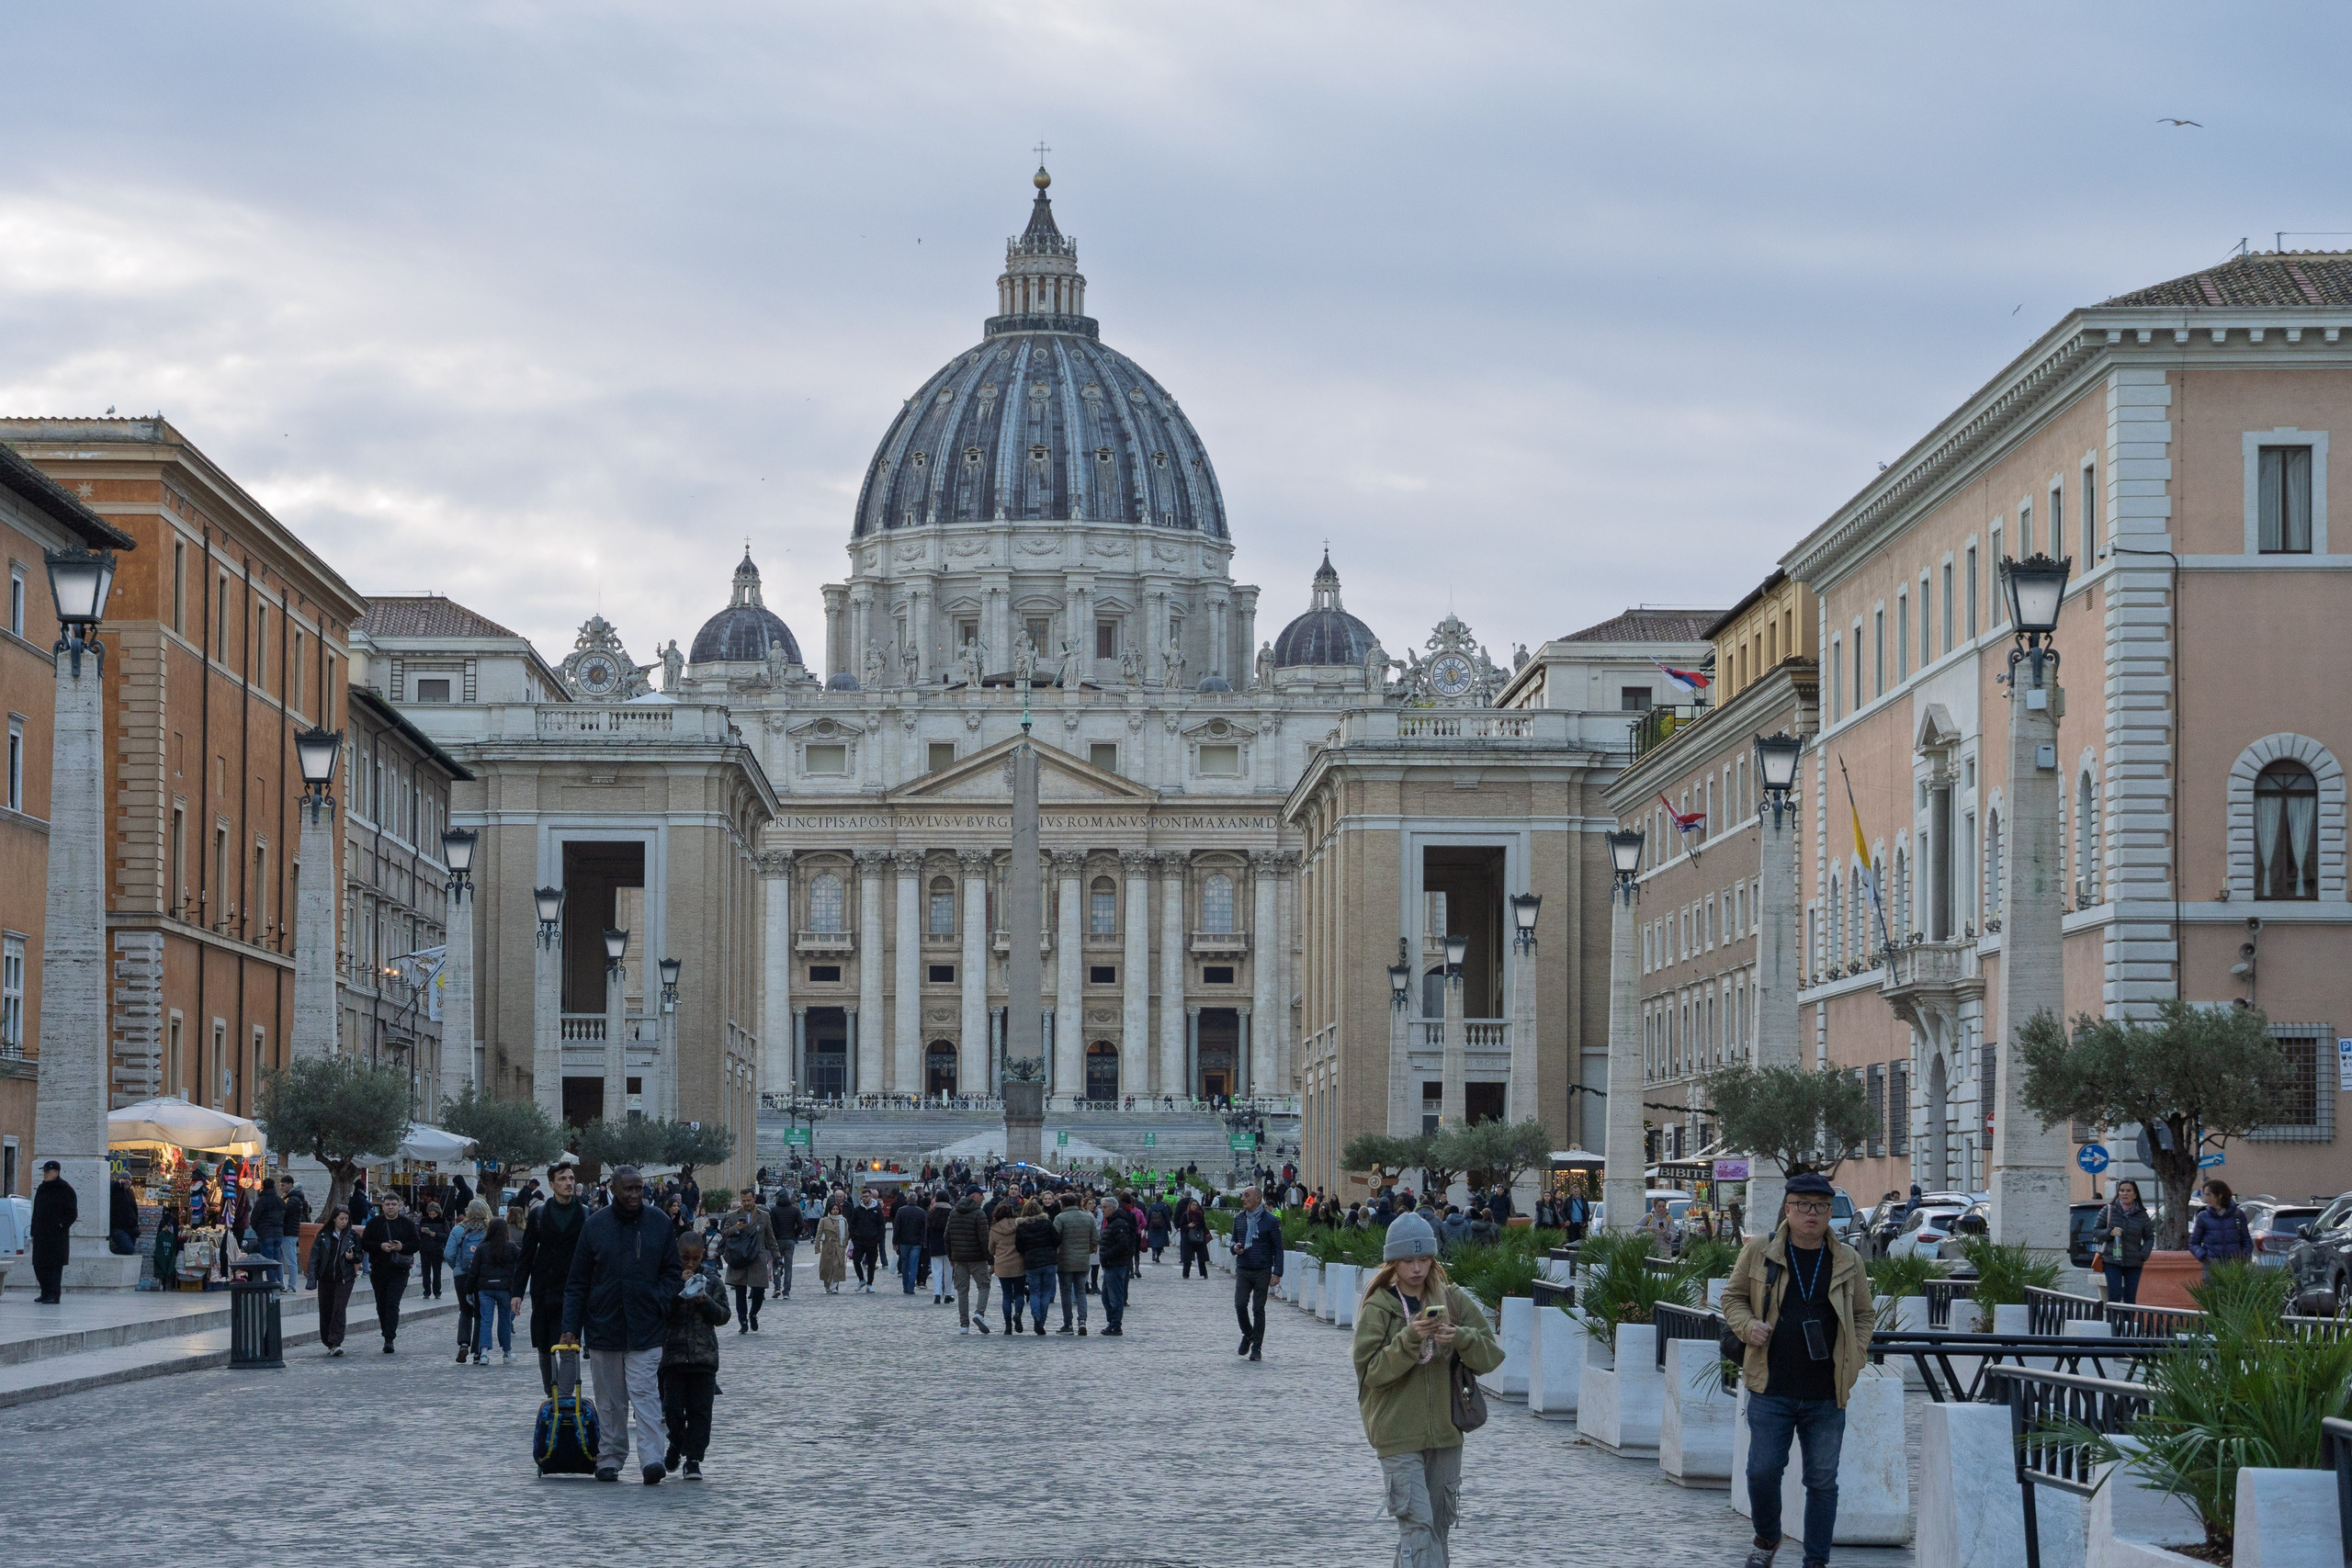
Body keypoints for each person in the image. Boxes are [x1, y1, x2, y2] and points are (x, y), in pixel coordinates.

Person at [1721, 1170, 1874, 1568]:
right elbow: (1733, 1297)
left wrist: (1853, 1360)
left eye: (1821, 1206)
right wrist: (1747, 1326)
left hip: (1827, 1391)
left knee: (1822, 1482)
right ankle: (1767, 1536)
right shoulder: (1761, 1249)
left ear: (1829, 1213)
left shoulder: (1848, 1260)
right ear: (1787, 1209)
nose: (1812, 1213)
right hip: (1771, 1385)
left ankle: (1816, 1561)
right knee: (1762, 1472)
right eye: (1803, 1205)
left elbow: (1863, 1316)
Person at [1351, 1210, 1504, 1568]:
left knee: (1436, 1530)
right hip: (1397, 1435)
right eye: (1408, 1260)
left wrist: (1461, 1337)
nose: (1417, 1268)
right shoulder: (1379, 1308)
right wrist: (1409, 1339)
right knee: (1417, 1530)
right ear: (1393, 1263)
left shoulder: (1453, 1300)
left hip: (1447, 1434)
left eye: (1423, 1259)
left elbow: (1492, 1357)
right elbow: (1371, 1373)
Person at [561, 1166, 684, 1485]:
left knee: (645, 1396)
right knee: (610, 1401)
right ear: (612, 1188)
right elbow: (577, 1281)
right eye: (627, 1189)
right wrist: (570, 1326)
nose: (634, 1195)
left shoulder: (658, 1223)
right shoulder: (594, 1227)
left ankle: (652, 1459)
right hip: (604, 1326)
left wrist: (658, 1300)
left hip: (647, 1327)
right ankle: (610, 1457)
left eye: (639, 1189)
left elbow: (673, 1271)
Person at [659, 1232, 729, 1480]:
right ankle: (676, 1442)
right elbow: (659, 1311)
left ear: (702, 1256)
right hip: (673, 1358)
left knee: (701, 1412)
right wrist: (679, 1291)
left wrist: (704, 1300)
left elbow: (723, 1315)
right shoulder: (667, 1278)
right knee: (673, 1409)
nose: (689, 1264)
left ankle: (694, 1459)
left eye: (694, 1259)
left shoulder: (712, 1280)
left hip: (703, 1358)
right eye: (684, 1258)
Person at [513, 1163, 587, 1393]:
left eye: (571, 1178)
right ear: (552, 1184)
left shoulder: (585, 1214)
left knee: (568, 1343)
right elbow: (525, 1256)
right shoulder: (539, 1215)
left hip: (573, 1289)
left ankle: (563, 1398)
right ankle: (550, 1392)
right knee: (545, 1346)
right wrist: (517, 1292)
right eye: (563, 1179)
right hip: (543, 1289)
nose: (568, 1183)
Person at [358, 1190, 421, 1350]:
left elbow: (416, 1244)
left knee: (393, 1303)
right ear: (383, 1207)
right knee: (381, 1304)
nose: (391, 1207)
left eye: (394, 1205)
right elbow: (364, 1243)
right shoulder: (374, 1223)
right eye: (387, 1205)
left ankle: (389, 1338)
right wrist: (380, 1246)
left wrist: (401, 1247)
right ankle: (385, 1330)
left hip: (399, 1270)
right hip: (379, 1268)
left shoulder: (406, 1224)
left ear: (399, 1206)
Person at [1230, 1184, 1285, 1361]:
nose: (1242, 1199)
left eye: (1246, 1195)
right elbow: (1233, 1240)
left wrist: (1277, 1273)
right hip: (1244, 1268)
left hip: (1262, 1269)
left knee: (1258, 1308)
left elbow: (1278, 1248)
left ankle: (1257, 1348)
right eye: (1242, 1195)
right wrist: (1235, 1248)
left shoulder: (1271, 1220)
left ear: (1257, 1198)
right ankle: (1248, 1335)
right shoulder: (1239, 1218)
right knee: (1240, 1304)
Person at [719, 1188, 776, 1331]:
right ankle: (743, 1321)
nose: (746, 1203)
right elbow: (724, 1233)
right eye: (743, 1201)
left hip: (757, 1257)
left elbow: (771, 1238)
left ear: (754, 1199)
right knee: (740, 1291)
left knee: (759, 1291)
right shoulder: (732, 1216)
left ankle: (753, 1314)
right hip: (739, 1257)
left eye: (749, 1200)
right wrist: (736, 1228)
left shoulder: (764, 1216)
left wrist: (777, 1257)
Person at [465, 1215, 520, 1364]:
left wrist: (469, 1291)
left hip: (485, 1288)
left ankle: (483, 1353)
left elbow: (474, 1271)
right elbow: (523, 1262)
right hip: (504, 1288)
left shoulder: (482, 1248)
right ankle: (506, 1353)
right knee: (505, 1321)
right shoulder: (511, 1247)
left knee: (486, 1320)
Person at [2096, 1179, 2155, 1304]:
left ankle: (2128, 1323)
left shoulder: (2142, 1215)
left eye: (2128, 1191)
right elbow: (2096, 1231)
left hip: (2134, 1261)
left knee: (2130, 1298)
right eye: (2122, 1191)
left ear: (2135, 1194)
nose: (2124, 1194)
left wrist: (2143, 1254)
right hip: (2112, 1260)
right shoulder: (2108, 1210)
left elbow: (2149, 1237)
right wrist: (2109, 1233)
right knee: (2115, 1295)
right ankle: (2113, 1323)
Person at [312, 1206, 361, 1355]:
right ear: (334, 1218)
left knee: (339, 1309)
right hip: (326, 1278)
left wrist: (352, 1258)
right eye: (341, 1219)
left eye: (346, 1219)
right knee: (326, 1309)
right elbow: (315, 1257)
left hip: (344, 1278)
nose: (344, 1222)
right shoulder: (323, 1235)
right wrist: (312, 1278)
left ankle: (336, 1341)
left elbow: (360, 1255)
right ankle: (328, 1340)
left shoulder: (352, 1236)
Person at [945, 1186, 993, 1335]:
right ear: (974, 1196)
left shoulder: (953, 1213)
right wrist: (990, 1259)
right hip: (977, 1258)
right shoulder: (979, 1214)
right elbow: (984, 1239)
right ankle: (979, 1313)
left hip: (959, 1258)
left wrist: (950, 1256)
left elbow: (947, 1237)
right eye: (981, 1195)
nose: (983, 1198)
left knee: (962, 1291)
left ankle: (964, 1324)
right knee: (984, 1285)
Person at [447, 1199, 491, 1362]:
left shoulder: (458, 1230)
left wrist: (457, 1267)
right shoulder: (488, 1230)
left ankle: (463, 1344)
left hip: (462, 1275)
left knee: (465, 1311)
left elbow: (448, 1254)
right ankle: (479, 1350)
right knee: (481, 1312)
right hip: (483, 1275)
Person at [29, 1160, 76, 1303]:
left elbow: (72, 1213)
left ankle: (53, 1295)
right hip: (40, 1234)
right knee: (39, 1265)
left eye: (48, 1172)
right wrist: (33, 1232)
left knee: (54, 1266)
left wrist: (60, 1225)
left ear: (56, 1173)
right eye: (44, 1172)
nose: (45, 1174)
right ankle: (45, 1292)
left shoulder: (65, 1189)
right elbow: (36, 1211)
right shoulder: (42, 1189)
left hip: (56, 1236)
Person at [2189, 1179, 2254, 1279]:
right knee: (2212, 1293)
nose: (2206, 1198)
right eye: (2205, 1195)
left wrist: (2243, 1257)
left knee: (2233, 1294)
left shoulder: (2237, 1215)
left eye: (2208, 1195)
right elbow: (2193, 1243)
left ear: (2219, 1195)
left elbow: (2246, 1240)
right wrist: (2205, 1257)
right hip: (2212, 1268)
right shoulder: (2203, 1217)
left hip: (2234, 1267)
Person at [1014, 1199, 1059, 1337]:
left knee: (1034, 1292)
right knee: (1046, 1293)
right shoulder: (1046, 1223)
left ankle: (1036, 1315)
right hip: (1049, 1261)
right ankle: (1041, 1322)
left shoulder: (1021, 1227)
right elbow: (1057, 1240)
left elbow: (1019, 1246)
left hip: (1032, 1262)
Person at [1054, 1191, 1096, 1335]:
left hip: (1065, 1261)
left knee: (1066, 1293)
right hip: (1083, 1260)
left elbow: (1054, 1238)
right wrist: (1088, 1249)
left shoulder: (1060, 1218)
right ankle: (1082, 1321)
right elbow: (1096, 1238)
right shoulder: (1087, 1218)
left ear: (1063, 1204)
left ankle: (1068, 1324)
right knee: (1081, 1292)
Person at [1099, 1189, 1139, 1336]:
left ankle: (1116, 1325)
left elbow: (1123, 1244)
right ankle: (1112, 1323)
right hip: (1110, 1265)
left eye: (1104, 1207)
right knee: (1106, 1297)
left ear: (1112, 1208)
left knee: (1115, 1297)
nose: (1102, 1210)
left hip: (1115, 1264)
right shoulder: (1112, 1221)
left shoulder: (1119, 1223)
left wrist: (1108, 1255)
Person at [989, 1197, 1028, 1335]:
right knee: (1019, 1294)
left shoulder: (995, 1229)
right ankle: (1018, 1313)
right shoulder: (1019, 1225)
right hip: (1019, 1263)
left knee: (1006, 1295)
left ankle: (1007, 1326)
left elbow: (991, 1249)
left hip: (1002, 1264)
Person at [767, 1186, 804, 1299]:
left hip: (777, 1240)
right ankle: (786, 1291)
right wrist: (795, 1235)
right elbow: (801, 1225)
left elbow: (772, 1226)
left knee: (776, 1265)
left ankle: (777, 1287)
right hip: (790, 1239)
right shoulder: (795, 1210)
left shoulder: (773, 1210)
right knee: (788, 1267)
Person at [846, 1190, 886, 1292]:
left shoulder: (877, 1210)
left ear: (871, 1197)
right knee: (856, 1260)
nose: (864, 1199)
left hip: (872, 1241)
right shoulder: (858, 1210)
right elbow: (852, 1224)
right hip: (859, 1241)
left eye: (866, 1197)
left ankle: (870, 1283)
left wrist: (878, 1238)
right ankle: (861, 1279)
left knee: (871, 1263)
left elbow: (881, 1225)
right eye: (863, 1197)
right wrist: (854, 1236)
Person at [893, 1186, 928, 1295]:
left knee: (905, 1264)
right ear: (916, 1200)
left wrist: (895, 1241)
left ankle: (905, 1286)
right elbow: (924, 1228)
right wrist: (924, 1240)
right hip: (916, 1242)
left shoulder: (901, 1211)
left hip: (903, 1241)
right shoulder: (921, 1212)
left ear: (907, 1199)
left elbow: (896, 1227)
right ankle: (911, 1286)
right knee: (914, 1264)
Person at [415, 1200, 451, 1302]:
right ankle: (426, 1291)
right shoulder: (424, 1220)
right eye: (430, 1214)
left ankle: (437, 1291)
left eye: (433, 1214)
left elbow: (447, 1235)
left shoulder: (442, 1221)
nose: (431, 1216)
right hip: (425, 1248)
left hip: (437, 1248)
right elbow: (417, 1234)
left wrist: (435, 1234)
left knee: (437, 1271)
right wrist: (420, 1231)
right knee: (425, 1272)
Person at [923, 1189, 953, 1303]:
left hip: (935, 1244)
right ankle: (948, 1293)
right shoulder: (952, 1212)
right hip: (948, 1245)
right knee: (948, 1271)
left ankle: (937, 1294)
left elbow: (928, 1230)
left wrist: (927, 1242)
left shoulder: (931, 1212)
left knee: (936, 1271)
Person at [815, 1198, 849, 1294]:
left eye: (837, 1209)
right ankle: (827, 1286)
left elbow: (846, 1234)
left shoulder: (843, 1221)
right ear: (830, 1210)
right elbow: (819, 1233)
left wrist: (844, 1244)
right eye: (833, 1209)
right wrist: (817, 1246)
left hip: (839, 1247)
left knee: (837, 1266)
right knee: (826, 1267)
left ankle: (834, 1286)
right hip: (828, 1247)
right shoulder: (824, 1220)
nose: (835, 1211)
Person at [1177, 1197, 1211, 1279]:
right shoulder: (1186, 1214)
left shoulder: (1200, 1214)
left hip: (1199, 1237)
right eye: (1193, 1205)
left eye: (1196, 1205)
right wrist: (1188, 1226)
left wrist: (1206, 1233)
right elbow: (1182, 1226)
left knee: (1202, 1258)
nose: (1194, 1206)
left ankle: (1204, 1274)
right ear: (1190, 1205)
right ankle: (1186, 1274)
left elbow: (1203, 1225)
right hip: (1188, 1238)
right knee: (1187, 1258)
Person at [109, 1173, 141, 1256]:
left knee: (128, 1253)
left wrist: (136, 1226)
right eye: (125, 1178)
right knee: (129, 1249)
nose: (127, 1181)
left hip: (131, 1229)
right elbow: (110, 1188)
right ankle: (110, 1252)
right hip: (118, 1228)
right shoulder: (115, 1191)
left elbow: (134, 1210)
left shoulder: (130, 1194)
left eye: (129, 1179)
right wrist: (118, 1184)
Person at [1146, 1194, 1172, 1265]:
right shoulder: (1164, 1207)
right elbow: (1167, 1218)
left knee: (1153, 1241)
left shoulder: (1151, 1207)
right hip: (1162, 1226)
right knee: (1160, 1243)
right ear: (1161, 1199)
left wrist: (1146, 1227)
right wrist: (1169, 1228)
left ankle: (1153, 1251)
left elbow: (1148, 1217)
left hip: (1152, 1226)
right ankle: (1158, 1256)